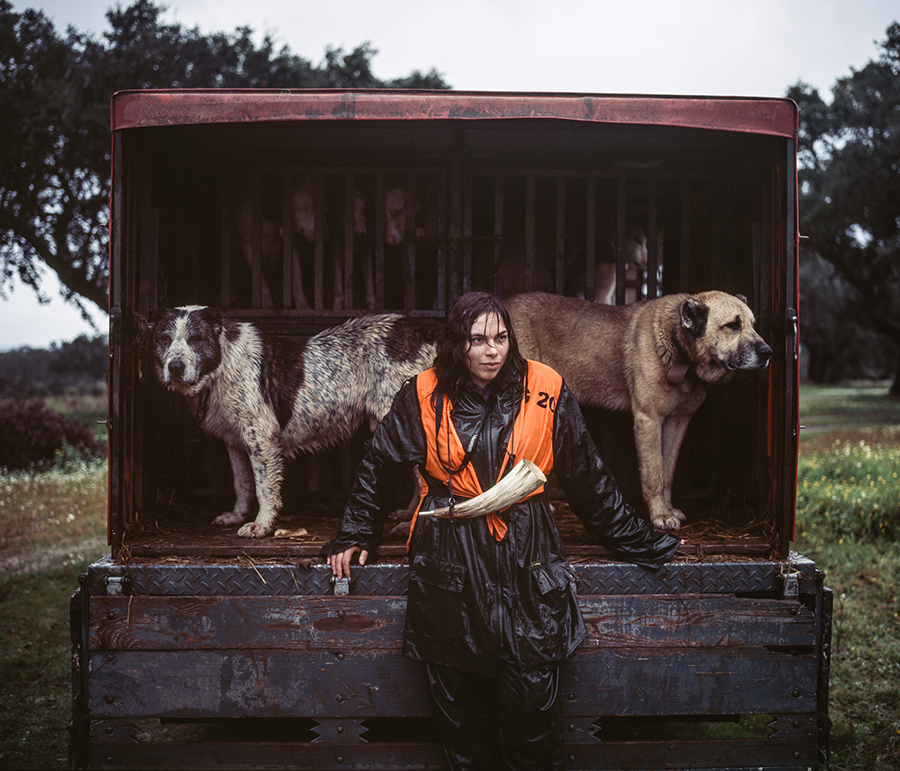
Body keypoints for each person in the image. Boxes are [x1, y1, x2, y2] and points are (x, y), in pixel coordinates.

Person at [326, 291, 679, 771]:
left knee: (534, 734)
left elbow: (587, 478)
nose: (492, 350)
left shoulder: (546, 386)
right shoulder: (422, 393)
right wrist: (355, 534)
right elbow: (380, 466)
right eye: (478, 340)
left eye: (500, 337)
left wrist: (640, 540)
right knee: (465, 739)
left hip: (527, 567)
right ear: (457, 345)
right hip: (450, 570)